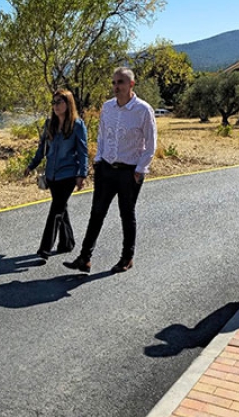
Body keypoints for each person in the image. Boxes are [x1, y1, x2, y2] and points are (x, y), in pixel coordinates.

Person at [64, 67, 157, 273]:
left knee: (126, 214)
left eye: (121, 82)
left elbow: (151, 143)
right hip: (106, 169)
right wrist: (97, 161)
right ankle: (84, 258)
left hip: (129, 171)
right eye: (114, 82)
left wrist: (140, 169)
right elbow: (102, 135)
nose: (116, 87)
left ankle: (127, 257)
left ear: (131, 84)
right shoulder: (108, 107)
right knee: (96, 213)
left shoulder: (143, 110)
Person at [24, 89, 89, 260]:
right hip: (52, 175)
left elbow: (83, 152)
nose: (55, 106)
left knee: (55, 211)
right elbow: (42, 149)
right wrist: (31, 165)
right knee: (61, 209)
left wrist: (82, 174)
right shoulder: (49, 124)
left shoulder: (77, 125)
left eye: (59, 102)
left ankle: (45, 248)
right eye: (53, 102)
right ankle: (67, 242)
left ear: (68, 104)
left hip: (68, 174)